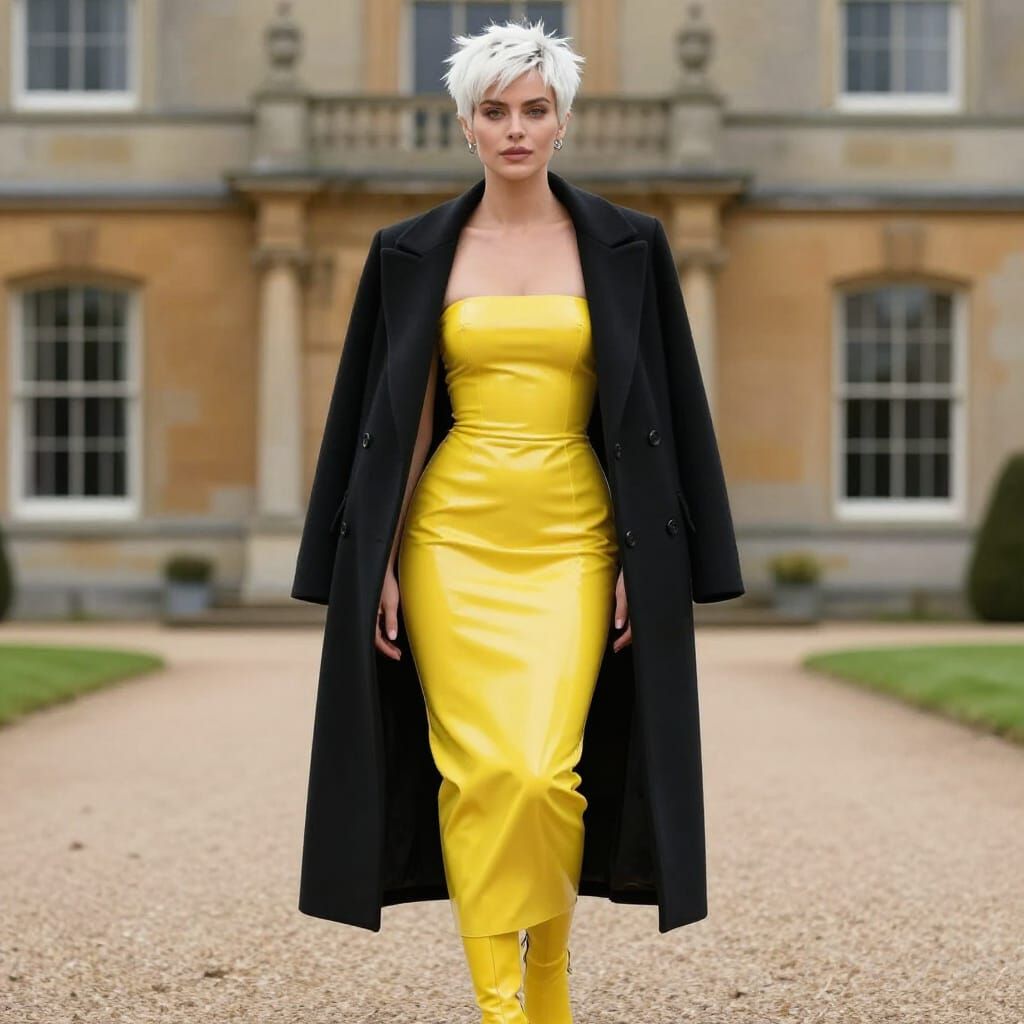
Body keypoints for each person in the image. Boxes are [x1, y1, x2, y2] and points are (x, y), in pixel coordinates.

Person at [380, 18, 607, 1024]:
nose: (515, 128)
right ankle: (502, 1008)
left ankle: (548, 981)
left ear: (561, 122)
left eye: (534, 109)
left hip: (571, 533)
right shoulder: (415, 251)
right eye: (494, 111)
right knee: (478, 775)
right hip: (451, 535)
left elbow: (650, 414)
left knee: (545, 772)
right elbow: (405, 419)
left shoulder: (625, 246)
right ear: (465, 126)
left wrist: (646, 559)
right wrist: (384, 563)